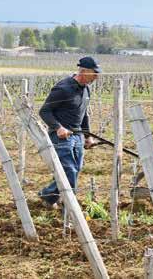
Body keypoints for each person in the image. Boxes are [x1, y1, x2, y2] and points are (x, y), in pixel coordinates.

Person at [37, 57, 100, 206]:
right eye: (94, 73)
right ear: (83, 71)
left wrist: (87, 136)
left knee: (75, 169)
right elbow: (44, 111)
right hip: (62, 137)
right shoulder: (63, 88)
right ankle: (70, 207)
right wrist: (58, 128)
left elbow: (84, 115)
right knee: (69, 170)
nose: (97, 76)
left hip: (77, 136)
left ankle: (48, 196)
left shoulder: (86, 90)